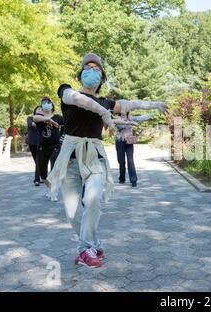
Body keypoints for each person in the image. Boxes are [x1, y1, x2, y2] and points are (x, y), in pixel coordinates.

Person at [45, 53, 165, 268]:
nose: (92, 71)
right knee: (72, 212)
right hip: (71, 160)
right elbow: (80, 101)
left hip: (95, 159)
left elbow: (130, 103)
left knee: (92, 201)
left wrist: (154, 104)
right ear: (81, 73)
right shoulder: (66, 91)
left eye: (97, 69)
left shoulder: (106, 102)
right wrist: (104, 113)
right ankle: (94, 244)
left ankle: (84, 250)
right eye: (87, 68)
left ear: (102, 79)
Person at [115, 112, 153, 186]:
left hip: (129, 141)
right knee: (121, 161)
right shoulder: (117, 119)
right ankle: (122, 178)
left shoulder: (131, 118)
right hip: (120, 141)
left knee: (130, 160)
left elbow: (140, 118)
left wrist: (149, 115)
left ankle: (133, 180)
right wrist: (130, 122)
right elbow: (120, 126)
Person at [33, 97, 64, 186]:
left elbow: (66, 126)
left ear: (51, 105)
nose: (46, 104)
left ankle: (54, 188)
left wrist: (62, 137)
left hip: (55, 146)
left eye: (48, 102)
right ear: (41, 106)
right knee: (42, 172)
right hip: (42, 147)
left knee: (55, 166)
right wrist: (48, 120)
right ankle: (49, 186)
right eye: (44, 103)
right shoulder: (39, 118)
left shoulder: (58, 117)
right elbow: (35, 118)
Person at [27, 106, 43, 186]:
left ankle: (36, 180)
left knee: (38, 161)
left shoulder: (45, 119)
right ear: (35, 110)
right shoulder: (30, 118)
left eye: (41, 109)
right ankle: (41, 175)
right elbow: (31, 124)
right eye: (38, 109)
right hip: (31, 143)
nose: (39, 110)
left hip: (40, 143)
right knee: (37, 161)